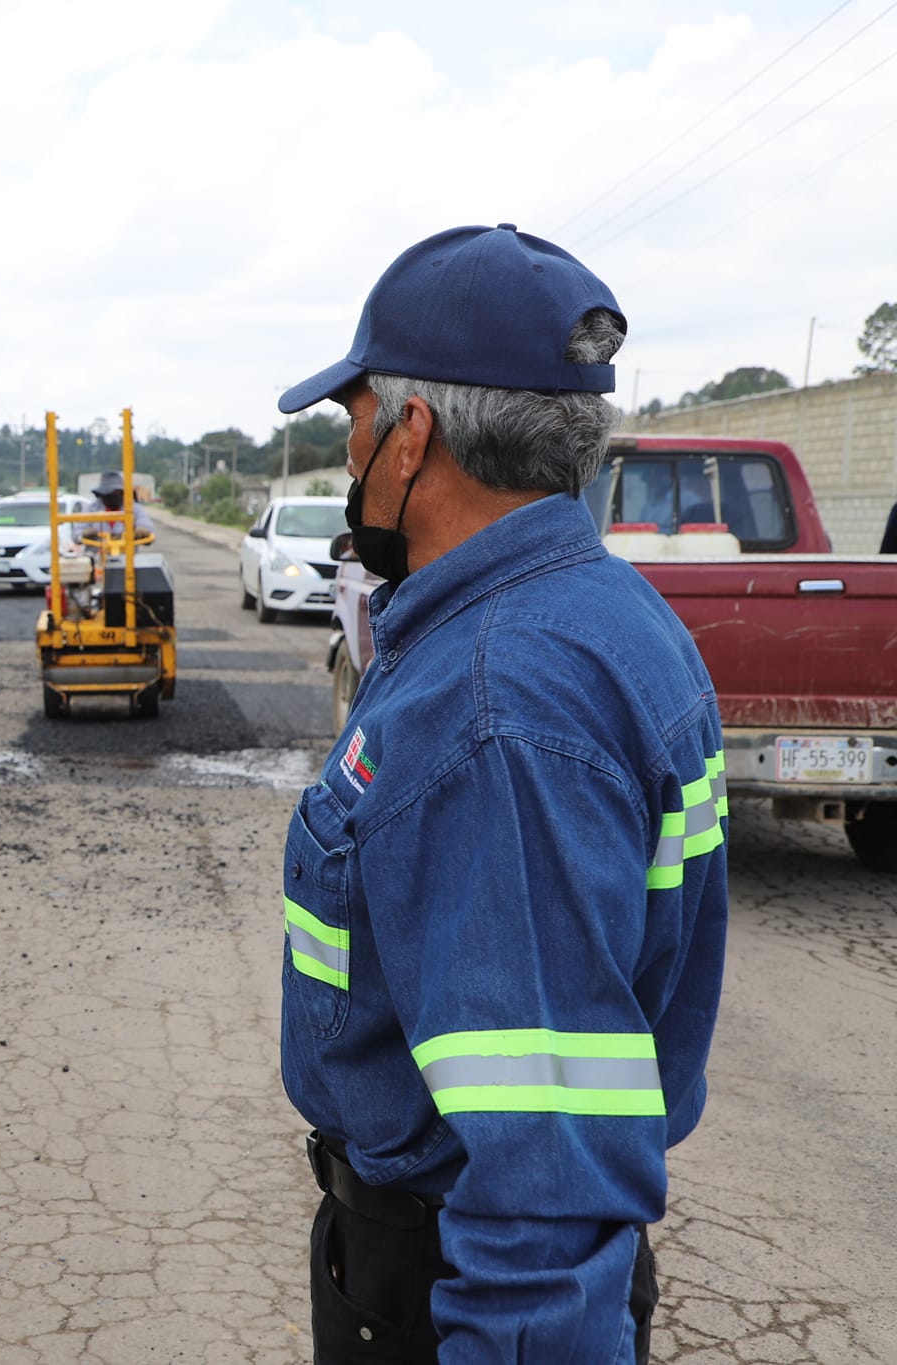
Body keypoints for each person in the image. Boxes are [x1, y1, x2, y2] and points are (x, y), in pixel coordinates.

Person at [272, 225, 727, 1362]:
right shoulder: (598, 617)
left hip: (455, 1291)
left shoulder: (495, 701)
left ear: (413, 434)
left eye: (356, 419)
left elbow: (543, 1158)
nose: (350, 453)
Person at [92, 470, 155, 538]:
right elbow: (79, 530)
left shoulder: (133, 507)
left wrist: (143, 530)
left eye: (117, 492)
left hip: (126, 548)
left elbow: (145, 523)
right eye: (110, 493)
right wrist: (83, 533)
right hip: (96, 548)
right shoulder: (93, 508)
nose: (113, 496)